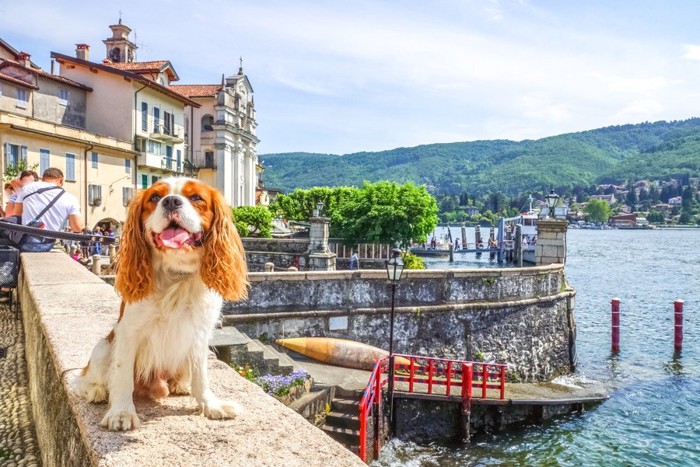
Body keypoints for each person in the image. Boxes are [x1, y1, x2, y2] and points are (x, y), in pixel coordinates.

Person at [3, 167, 84, 253]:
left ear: (43, 178)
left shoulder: (28, 188)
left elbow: (17, 214)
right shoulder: (70, 198)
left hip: (25, 239)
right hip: (46, 243)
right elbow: (77, 227)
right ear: (61, 180)